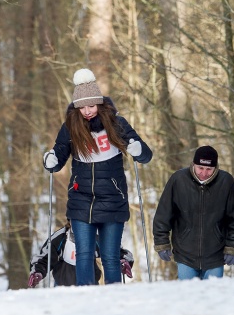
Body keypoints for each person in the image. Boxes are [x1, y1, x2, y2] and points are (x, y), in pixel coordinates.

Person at [43, 68, 152, 285]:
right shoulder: (71, 127)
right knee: (84, 254)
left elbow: (146, 156)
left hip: (112, 198)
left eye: (91, 105)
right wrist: (51, 160)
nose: (87, 111)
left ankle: (113, 301)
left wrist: (138, 150)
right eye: (82, 107)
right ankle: (87, 300)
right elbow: (59, 154)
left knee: (111, 257)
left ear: (99, 103)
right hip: (81, 199)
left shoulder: (116, 123)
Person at [153, 145, 234, 280]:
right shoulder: (178, 180)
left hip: (215, 255)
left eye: (209, 169)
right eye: (200, 168)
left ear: (216, 168)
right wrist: (161, 242)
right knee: (188, 297)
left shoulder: (226, 182)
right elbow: (163, 214)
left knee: (212, 297)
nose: (204, 173)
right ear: (193, 164)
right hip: (185, 254)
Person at [28, 221, 134, 287]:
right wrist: (37, 272)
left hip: (91, 286)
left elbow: (117, 252)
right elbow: (44, 258)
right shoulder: (60, 238)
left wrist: (123, 262)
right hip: (61, 287)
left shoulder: (96, 238)